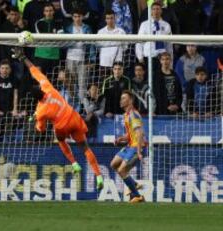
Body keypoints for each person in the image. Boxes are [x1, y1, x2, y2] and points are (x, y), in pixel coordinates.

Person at [12, 47, 104, 190]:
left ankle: (74, 163)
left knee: (60, 140)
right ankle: (98, 176)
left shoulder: (40, 110)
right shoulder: (47, 87)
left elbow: (40, 129)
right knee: (85, 148)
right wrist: (24, 58)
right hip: (73, 118)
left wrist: (37, 121)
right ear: (41, 90)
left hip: (62, 126)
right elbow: (34, 71)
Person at [111, 90, 146, 203]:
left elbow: (140, 133)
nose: (121, 100)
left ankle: (137, 195)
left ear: (130, 100)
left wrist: (139, 151)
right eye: (121, 98)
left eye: (124, 98)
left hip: (136, 147)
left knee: (122, 170)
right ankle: (134, 184)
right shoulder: (126, 115)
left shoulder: (133, 114)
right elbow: (132, 133)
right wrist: (121, 138)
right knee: (114, 164)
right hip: (130, 145)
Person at [97, 10, 126, 80]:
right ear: (105, 19)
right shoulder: (100, 32)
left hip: (117, 65)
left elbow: (125, 47)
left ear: (115, 18)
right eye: (108, 18)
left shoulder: (121, 32)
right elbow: (98, 48)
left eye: (111, 18)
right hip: (104, 63)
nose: (110, 20)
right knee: (104, 86)